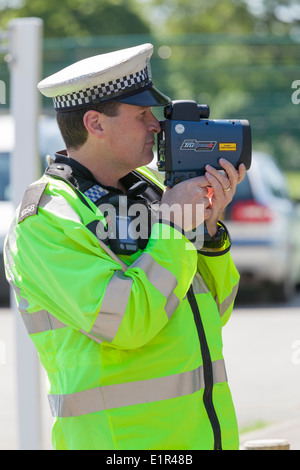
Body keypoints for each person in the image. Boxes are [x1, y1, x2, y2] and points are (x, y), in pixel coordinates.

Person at [4, 43, 246, 450]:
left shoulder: (152, 191)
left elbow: (209, 314)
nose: (156, 125)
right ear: (95, 124)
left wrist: (208, 231)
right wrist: (171, 227)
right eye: (142, 115)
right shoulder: (46, 220)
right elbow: (126, 324)